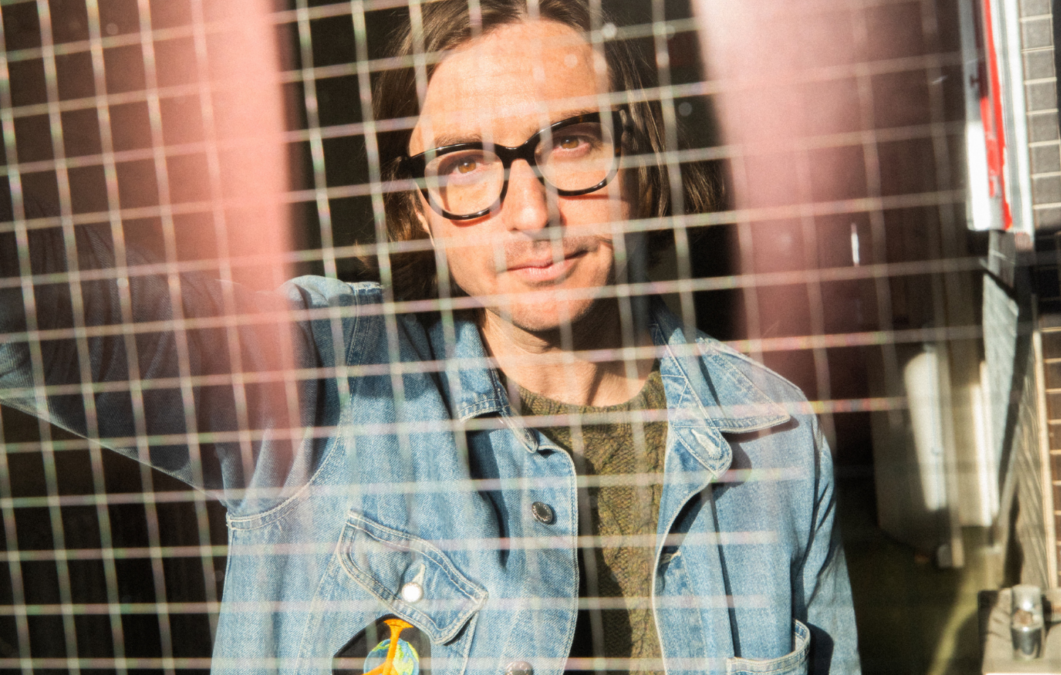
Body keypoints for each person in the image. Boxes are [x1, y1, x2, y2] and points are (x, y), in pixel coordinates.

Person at [0, 0, 860, 673]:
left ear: (643, 158)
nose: (531, 213)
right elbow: (56, 320)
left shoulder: (775, 435)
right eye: (465, 165)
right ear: (421, 208)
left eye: (571, 142)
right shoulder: (323, 377)